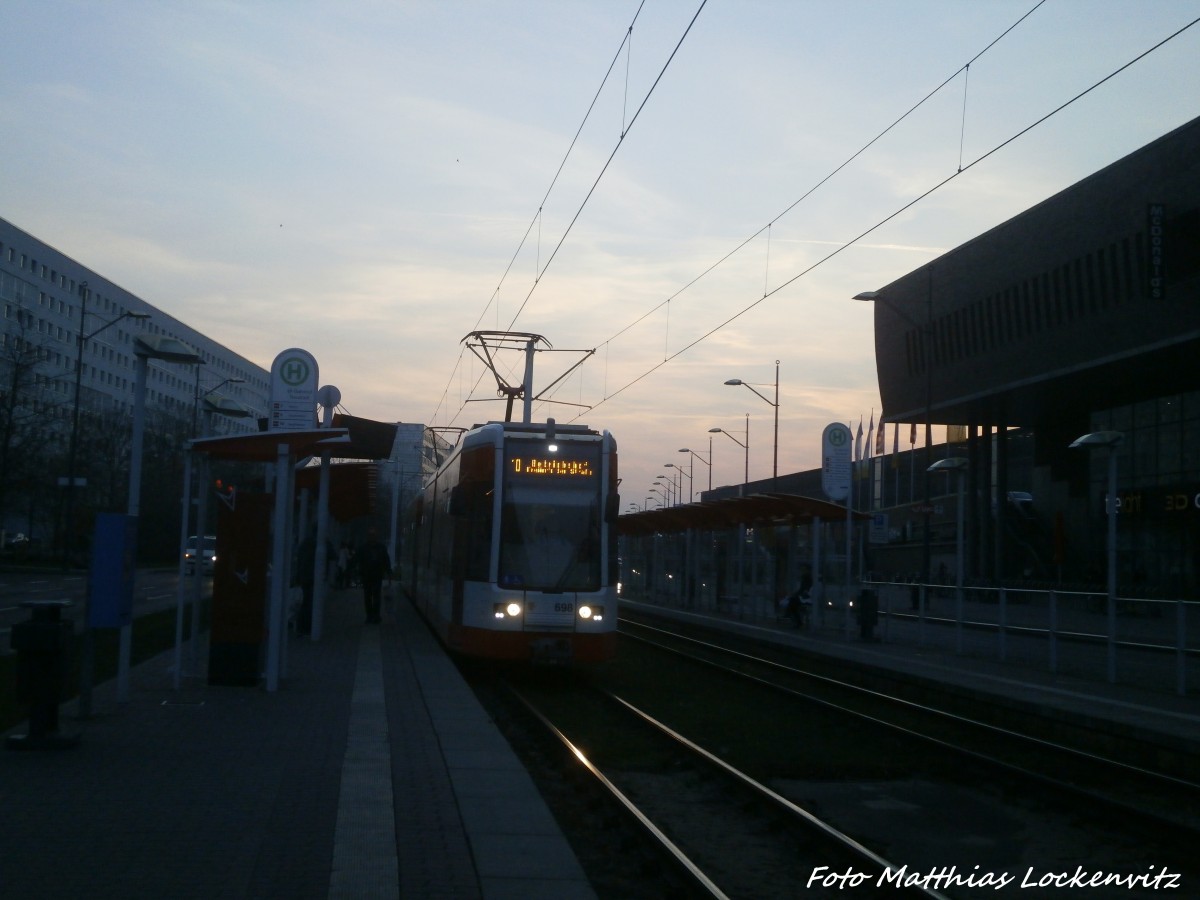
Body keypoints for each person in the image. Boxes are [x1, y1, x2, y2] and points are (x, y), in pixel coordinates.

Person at [357, 528, 392, 624]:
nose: (372, 537)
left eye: (373, 535)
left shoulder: (380, 547)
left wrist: (388, 572)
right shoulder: (363, 548)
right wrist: (359, 573)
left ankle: (375, 616)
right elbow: (359, 561)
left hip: (377, 575)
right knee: (368, 596)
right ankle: (370, 616)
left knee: (376, 596)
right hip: (367, 575)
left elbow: (386, 560)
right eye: (371, 535)